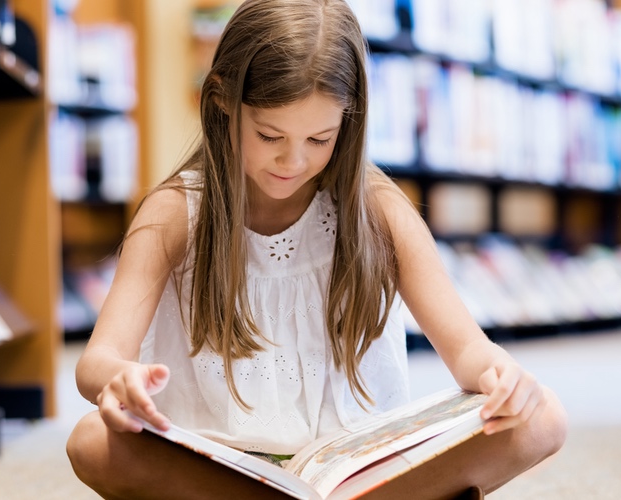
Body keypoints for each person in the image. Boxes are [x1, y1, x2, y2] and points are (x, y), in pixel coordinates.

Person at [66, 0, 568, 498]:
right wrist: (120, 379)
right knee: (92, 441)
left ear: (348, 122)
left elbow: (466, 349)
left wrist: (500, 374)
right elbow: (98, 360)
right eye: (269, 135)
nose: (294, 160)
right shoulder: (175, 211)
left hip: (358, 470)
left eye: (320, 138)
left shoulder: (379, 209)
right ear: (220, 99)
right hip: (220, 463)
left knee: (540, 416)